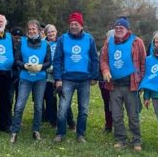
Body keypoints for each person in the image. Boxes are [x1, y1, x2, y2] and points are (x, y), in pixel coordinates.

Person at [52, 11, 99, 143]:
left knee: (83, 109)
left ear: (81, 26)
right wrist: (58, 79)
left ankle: (80, 134)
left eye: (76, 24)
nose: (73, 26)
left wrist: (95, 75)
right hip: (67, 79)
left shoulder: (89, 39)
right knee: (62, 108)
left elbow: (95, 59)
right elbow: (57, 60)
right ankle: (60, 133)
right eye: (72, 24)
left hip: (85, 79)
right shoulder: (62, 39)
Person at [100, 17, 146, 151]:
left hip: (131, 84)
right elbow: (103, 59)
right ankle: (120, 139)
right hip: (114, 85)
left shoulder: (137, 42)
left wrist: (141, 81)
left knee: (133, 114)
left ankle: (136, 141)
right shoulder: (109, 42)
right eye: (117, 27)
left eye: (121, 27)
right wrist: (106, 70)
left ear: (127, 29)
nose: (118, 29)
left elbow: (143, 62)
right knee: (116, 115)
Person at [10, 20, 52, 143]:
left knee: (39, 106)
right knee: (19, 106)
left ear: (39, 30)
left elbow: (49, 62)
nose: (32, 31)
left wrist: (41, 67)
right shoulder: (21, 43)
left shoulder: (46, 45)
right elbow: (16, 60)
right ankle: (14, 131)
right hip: (25, 78)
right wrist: (24, 66)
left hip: (40, 78)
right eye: (30, 29)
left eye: (34, 29)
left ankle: (36, 130)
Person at [42, 24, 76, 129]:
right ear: (45, 33)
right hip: (48, 76)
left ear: (56, 32)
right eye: (49, 32)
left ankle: (71, 123)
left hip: (61, 76)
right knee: (51, 101)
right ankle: (54, 123)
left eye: (53, 31)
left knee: (64, 99)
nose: (51, 34)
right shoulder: (43, 44)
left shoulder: (62, 42)